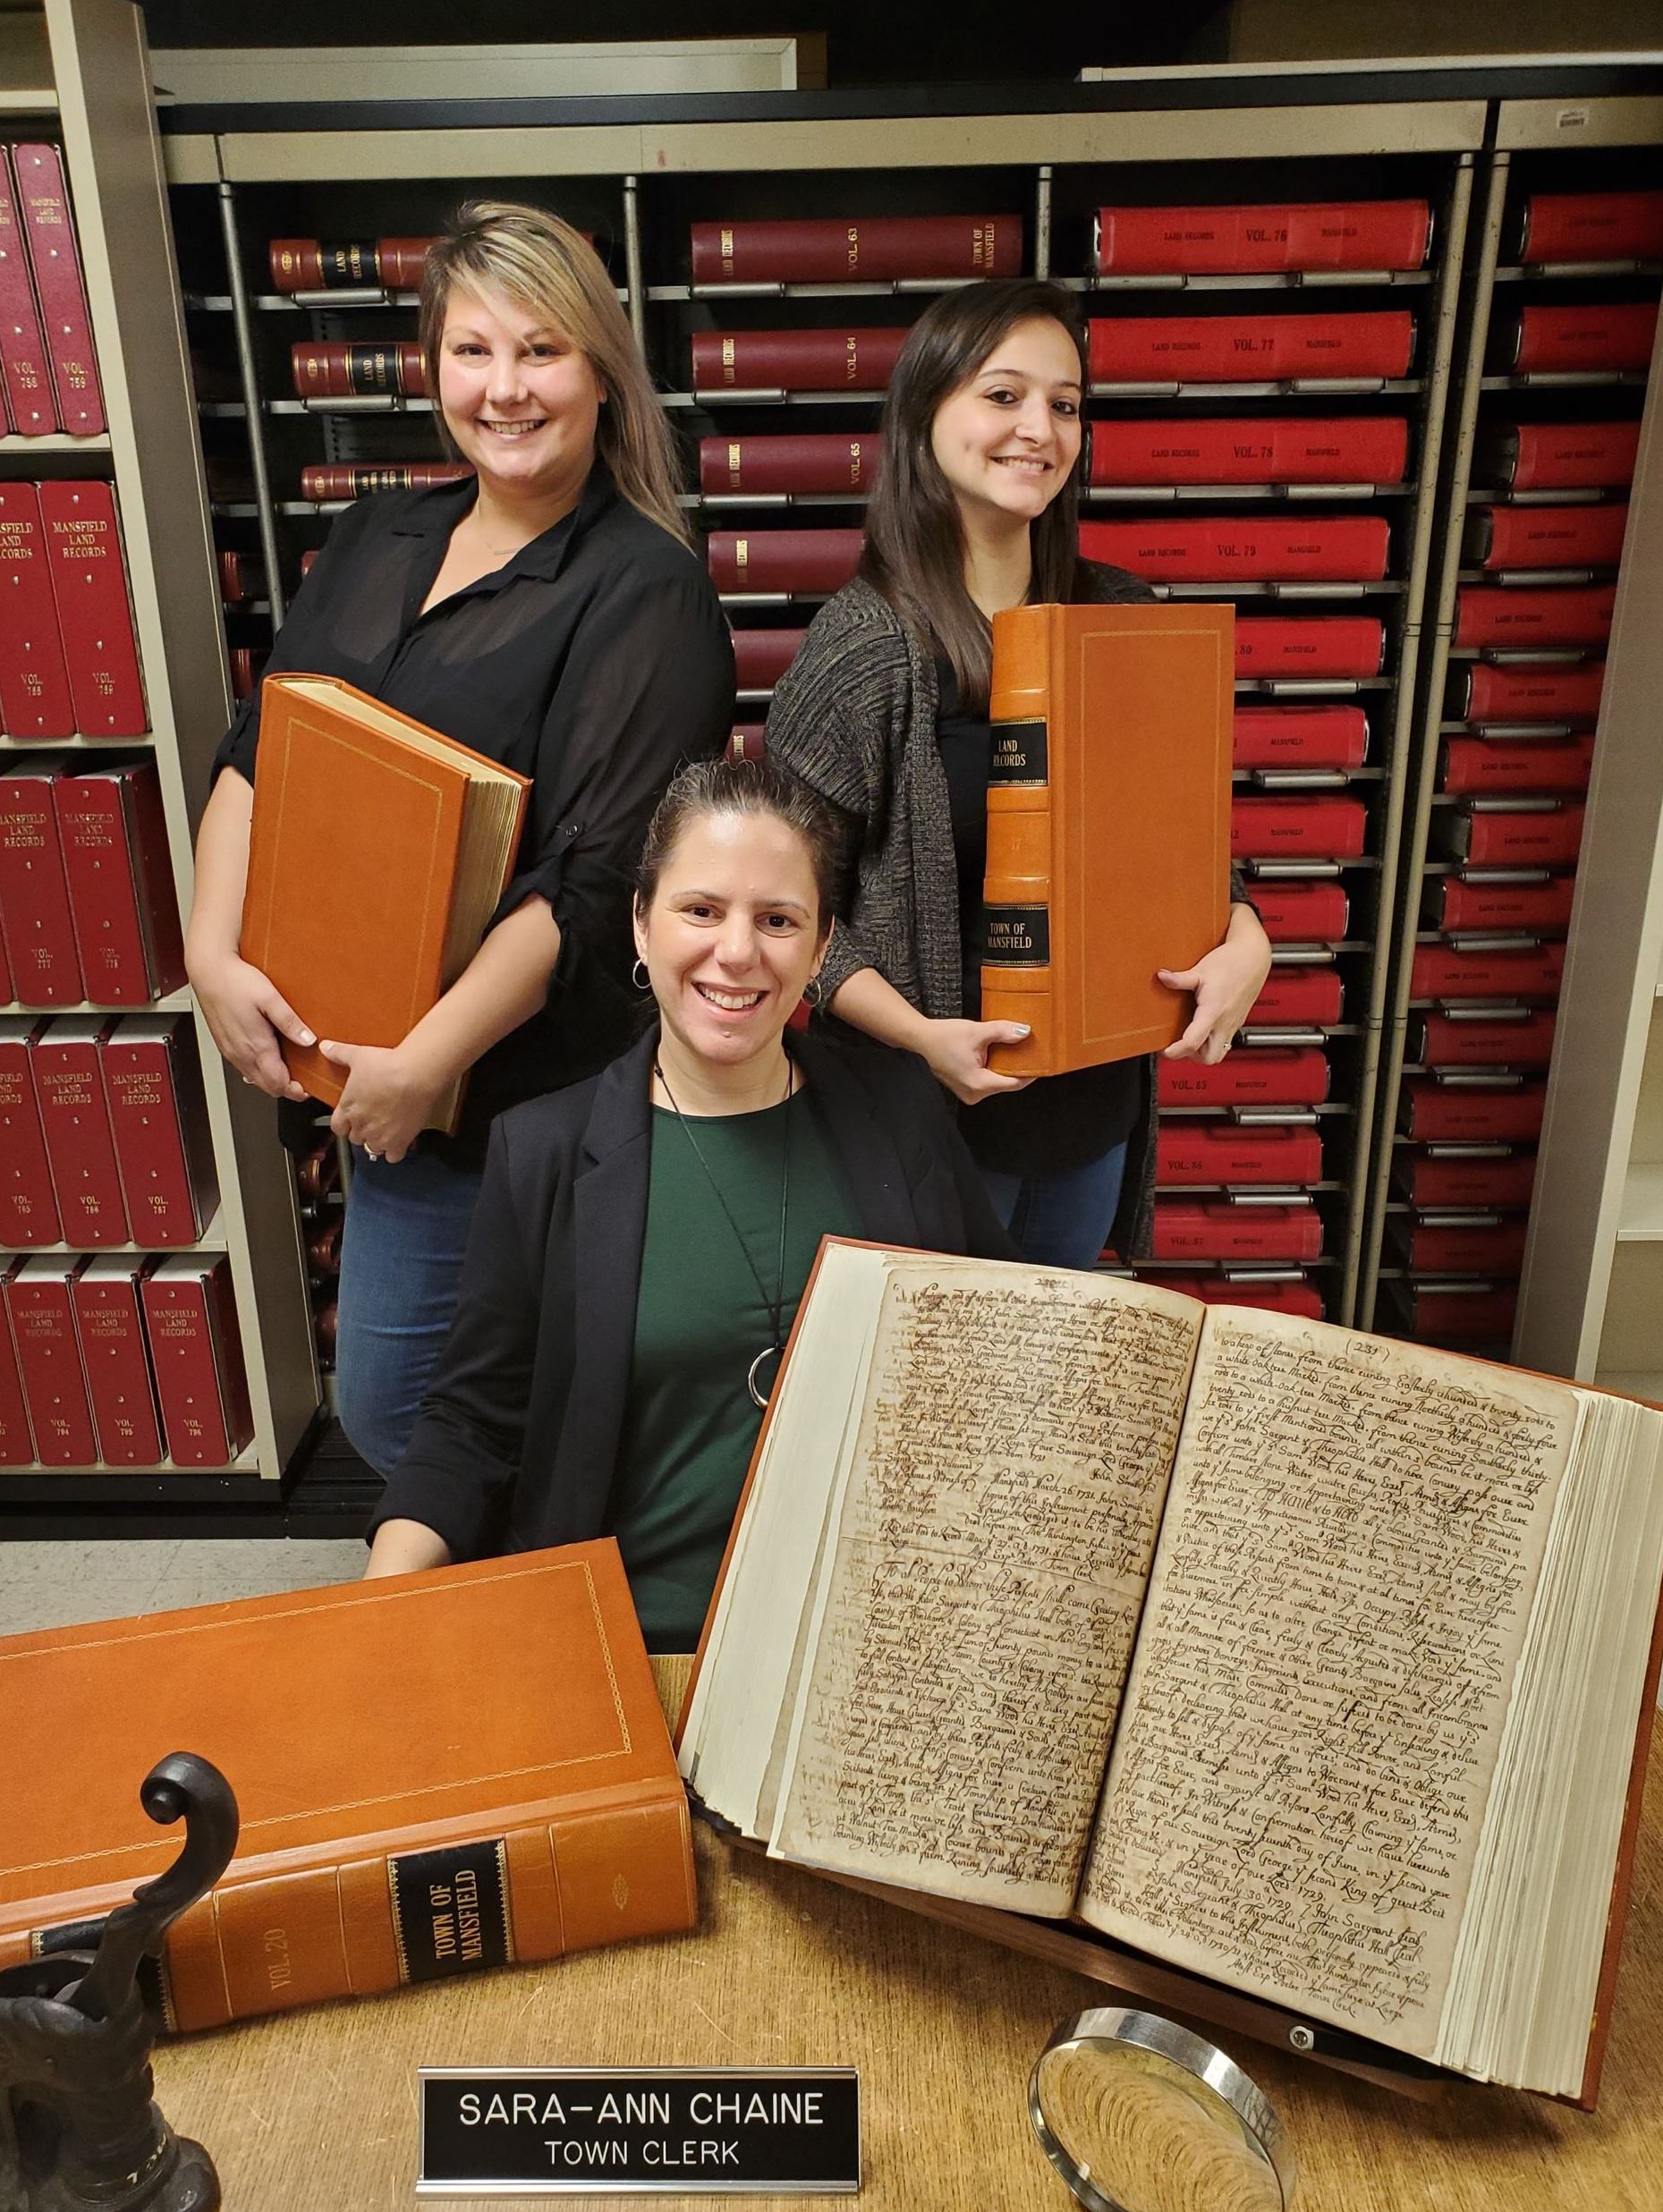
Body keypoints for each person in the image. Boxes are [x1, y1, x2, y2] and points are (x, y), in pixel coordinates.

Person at [186, 201, 735, 1474]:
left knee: (448, 1417)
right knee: (418, 1418)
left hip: (517, 1093)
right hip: (363, 1058)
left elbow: (597, 882)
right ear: (433, 366)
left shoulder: (646, 588)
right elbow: (261, 747)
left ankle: (547, 1630)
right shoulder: (379, 534)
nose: (506, 388)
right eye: (472, 351)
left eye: (541, 351)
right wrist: (212, 953)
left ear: (600, 368)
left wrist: (428, 1062)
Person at [364, 758, 1017, 1648]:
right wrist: (373, 1608)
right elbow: (471, 1423)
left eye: (778, 920)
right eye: (701, 910)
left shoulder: (902, 1116)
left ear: (824, 949)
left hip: (869, 1650)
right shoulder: (544, 1150)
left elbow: (1008, 1360)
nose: (738, 952)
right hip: (640, 1645)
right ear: (641, 924)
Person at [766, 279, 1272, 1270]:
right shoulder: (864, 647)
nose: (1038, 427)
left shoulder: (1126, 620)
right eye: (1002, 395)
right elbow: (787, 913)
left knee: (1040, 1399)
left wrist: (1247, 935)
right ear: (925, 414)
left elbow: (1179, 837)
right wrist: (918, 1035)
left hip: (1092, 1113)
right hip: (927, 1119)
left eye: (1065, 403)